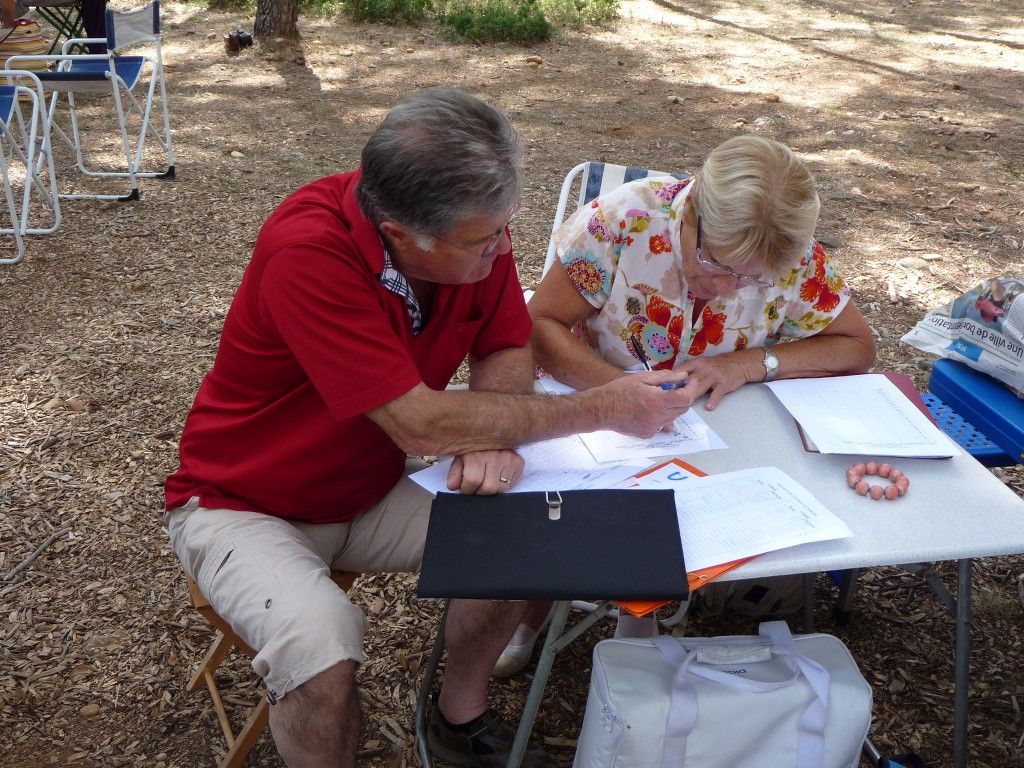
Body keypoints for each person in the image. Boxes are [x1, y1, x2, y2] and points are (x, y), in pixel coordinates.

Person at [163, 88, 691, 768]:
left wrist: (495, 439)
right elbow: (418, 423)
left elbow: (504, 344)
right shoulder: (309, 251)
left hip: (365, 489)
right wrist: (604, 405)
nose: (502, 249)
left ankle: (458, 718)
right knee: (322, 652)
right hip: (244, 504)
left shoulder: (466, 235)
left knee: (530, 532)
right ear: (400, 235)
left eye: (504, 226)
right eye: (482, 240)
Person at [493, 134, 877, 677]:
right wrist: (612, 395)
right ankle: (531, 614)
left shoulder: (788, 255)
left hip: (705, 431)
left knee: (693, 513)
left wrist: (750, 363)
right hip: (582, 403)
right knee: (559, 504)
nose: (726, 289)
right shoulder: (625, 218)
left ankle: (639, 645)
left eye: (752, 279)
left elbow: (856, 346)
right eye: (716, 264)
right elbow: (538, 322)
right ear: (691, 208)